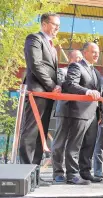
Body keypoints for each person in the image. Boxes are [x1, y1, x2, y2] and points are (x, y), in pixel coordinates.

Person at [19, 13, 61, 184]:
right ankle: (25, 173)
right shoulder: (34, 39)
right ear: (44, 24)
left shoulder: (52, 46)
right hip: (37, 92)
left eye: (59, 26)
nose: (57, 28)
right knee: (31, 132)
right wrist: (52, 85)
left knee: (41, 134)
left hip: (48, 95)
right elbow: (35, 64)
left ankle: (35, 174)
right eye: (55, 24)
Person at [62, 42, 103, 184]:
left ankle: (85, 172)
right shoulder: (76, 66)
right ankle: (72, 175)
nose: (97, 54)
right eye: (93, 52)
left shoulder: (96, 72)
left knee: (89, 144)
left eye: (98, 52)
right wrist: (87, 91)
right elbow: (70, 84)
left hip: (93, 114)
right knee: (75, 144)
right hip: (79, 112)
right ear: (85, 52)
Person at [52, 50, 82, 183]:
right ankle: (58, 172)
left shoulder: (83, 73)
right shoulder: (62, 72)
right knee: (59, 142)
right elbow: (64, 85)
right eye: (78, 58)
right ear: (70, 59)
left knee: (74, 144)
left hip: (78, 112)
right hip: (64, 110)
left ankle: (72, 173)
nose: (80, 61)